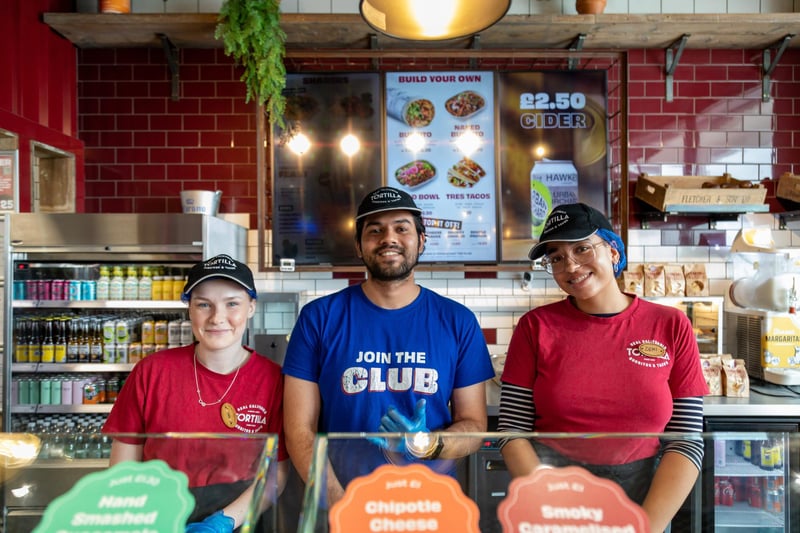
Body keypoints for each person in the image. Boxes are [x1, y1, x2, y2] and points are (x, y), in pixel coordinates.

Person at [497, 203, 708, 533]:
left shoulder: (670, 324)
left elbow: (686, 440)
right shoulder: (535, 327)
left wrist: (644, 526)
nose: (570, 264)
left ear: (612, 250)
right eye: (556, 257)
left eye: (582, 248)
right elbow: (512, 431)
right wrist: (549, 508)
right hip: (553, 496)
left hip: (646, 499)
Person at [282, 186, 494, 505]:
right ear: (359, 245)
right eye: (375, 230)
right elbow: (300, 430)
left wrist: (427, 443)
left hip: (427, 502)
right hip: (342, 499)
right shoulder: (318, 318)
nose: (388, 238)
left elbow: (475, 426)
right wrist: (341, 506)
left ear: (422, 240)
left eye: (401, 228)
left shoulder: (458, 321)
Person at [103, 254, 289, 532]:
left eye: (232, 304)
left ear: (251, 307)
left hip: (241, 519)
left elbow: (278, 472)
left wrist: (225, 521)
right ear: (189, 308)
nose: (217, 318)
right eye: (204, 304)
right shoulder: (151, 371)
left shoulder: (274, 380)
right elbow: (122, 468)